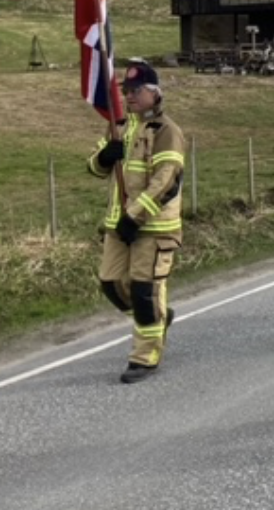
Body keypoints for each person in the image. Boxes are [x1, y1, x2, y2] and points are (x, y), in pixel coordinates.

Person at [88, 60, 186, 384]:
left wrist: (136, 215)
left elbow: (166, 180)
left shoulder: (166, 131)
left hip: (154, 228)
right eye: (126, 91)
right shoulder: (119, 125)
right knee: (111, 284)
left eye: (136, 90)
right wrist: (104, 157)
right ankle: (157, 319)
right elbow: (96, 169)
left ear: (154, 93)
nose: (129, 95)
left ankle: (144, 357)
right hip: (118, 224)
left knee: (144, 290)